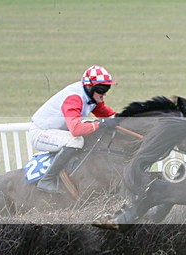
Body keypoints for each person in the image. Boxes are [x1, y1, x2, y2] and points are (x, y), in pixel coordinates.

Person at [29, 65, 119, 193]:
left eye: (107, 88)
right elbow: (76, 130)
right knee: (76, 141)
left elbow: (109, 116)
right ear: (89, 86)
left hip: (57, 131)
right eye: (101, 89)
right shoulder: (74, 98)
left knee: (88, 134)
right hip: (40, 133)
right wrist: (101, 124)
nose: (104, 93)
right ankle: (47, 180)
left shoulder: (91, 96)